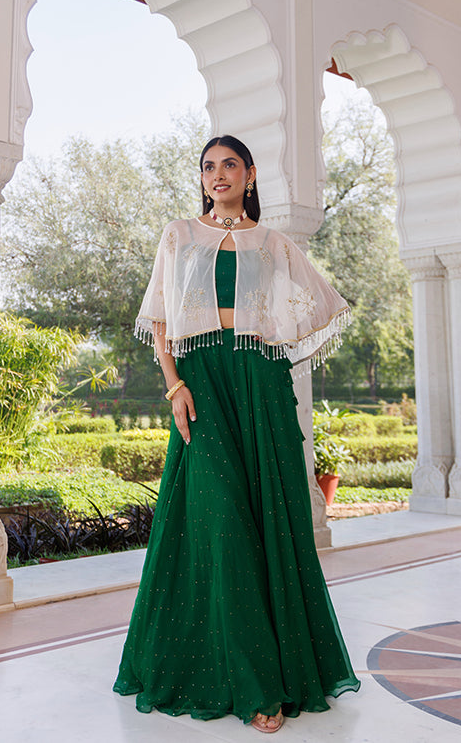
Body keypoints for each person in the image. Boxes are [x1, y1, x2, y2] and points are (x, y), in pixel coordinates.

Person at [113, 135, 360, 733]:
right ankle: (250, 682)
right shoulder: (179, 235)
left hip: (259, 382)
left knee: (270, 517)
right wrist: (174, 385)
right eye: (208, 167)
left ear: (249, 175)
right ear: (201, 179)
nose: (217, 174)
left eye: (229, 165)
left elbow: (320, 304)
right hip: (201, 381)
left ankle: (267, 674)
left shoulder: (272, 243)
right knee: (221, 518)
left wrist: (271, 333)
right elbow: (161, 319)